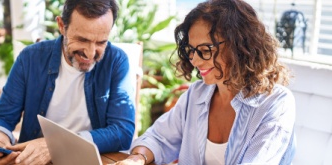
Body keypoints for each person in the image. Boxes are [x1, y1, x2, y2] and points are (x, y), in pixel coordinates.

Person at [114, 0, 296, 164]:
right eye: (191, 50)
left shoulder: (276, 104)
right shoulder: (197, 94)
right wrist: (137, 159)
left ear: (239, 45)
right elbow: (159, 138)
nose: (194, 60)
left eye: (205, 50)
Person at [0, 0, 136, 164]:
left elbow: (123, 132)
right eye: (82, 40)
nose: (90, 54)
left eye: (101, 42)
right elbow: (2, 117)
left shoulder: (116, 61)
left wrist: (58, 145)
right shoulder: (30, 58)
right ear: (62, 26)